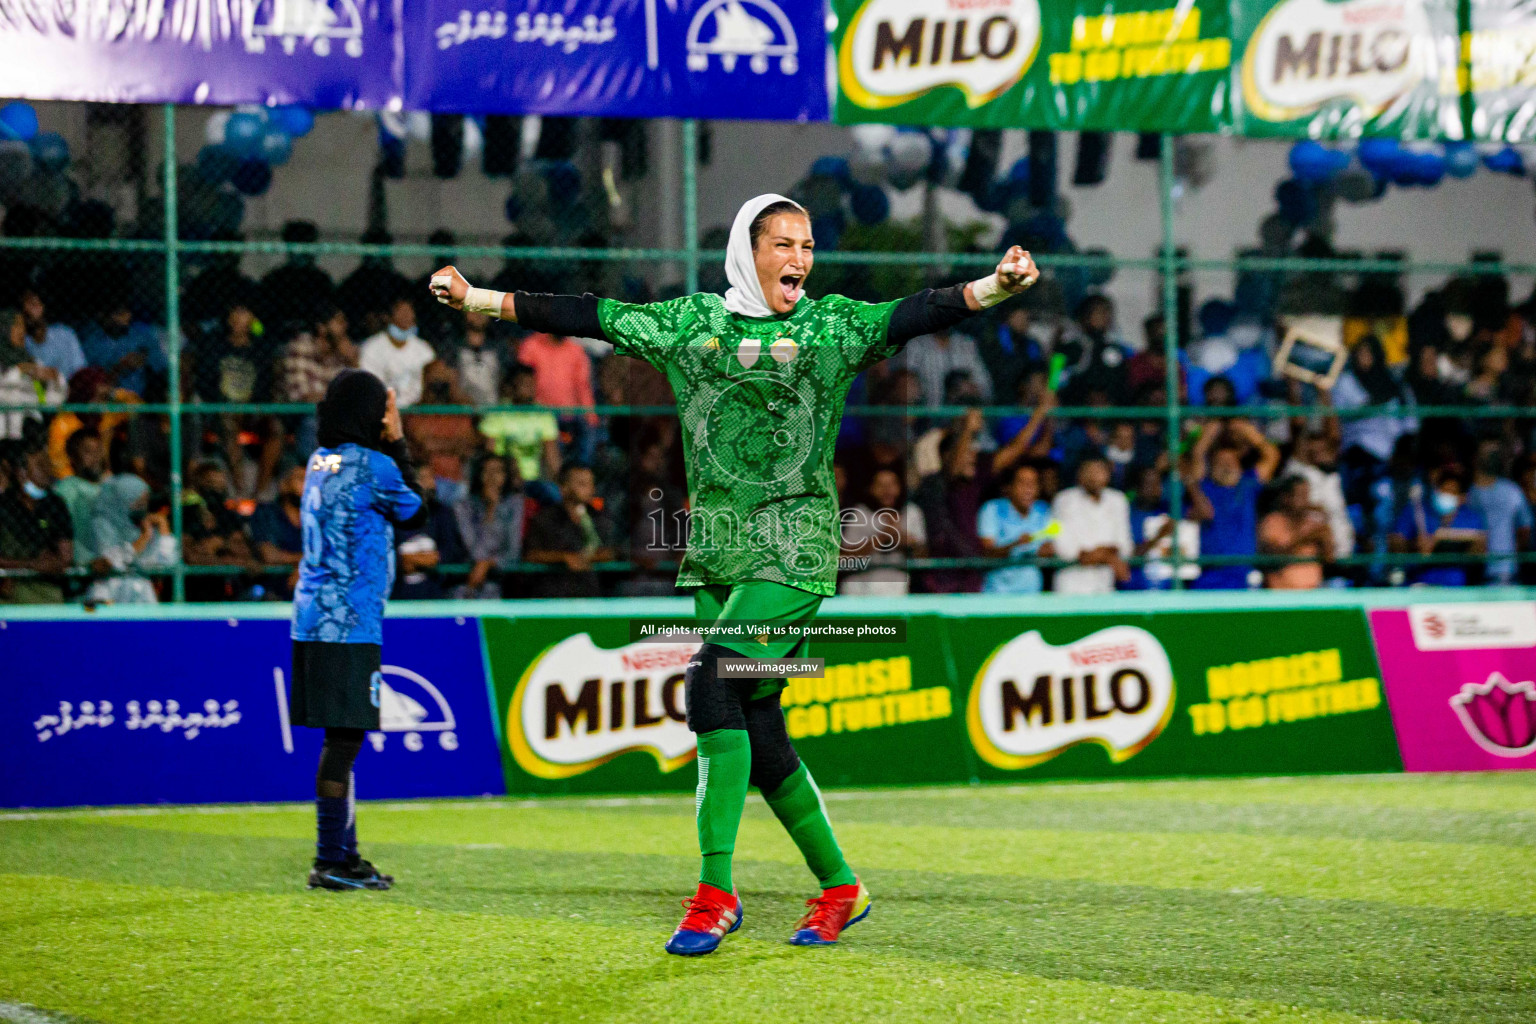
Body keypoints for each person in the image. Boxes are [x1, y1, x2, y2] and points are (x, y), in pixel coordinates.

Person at [430, 192, 1040, 954]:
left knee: (709, 679)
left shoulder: (830, 327)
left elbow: (913, 314)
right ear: (745, 253)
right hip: (719, 550)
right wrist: (477, 298)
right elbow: (588, 316)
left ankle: (716, 891)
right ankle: (842, 887)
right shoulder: (692, 325)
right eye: (783, 243)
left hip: (794, 550)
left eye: (808, 246)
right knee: (758, 723)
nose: (799, 259)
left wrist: (994, 288)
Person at [289, 369, 425, 891]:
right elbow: (416, 511)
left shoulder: (318, 462)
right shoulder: (373, 466)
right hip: (348, 622)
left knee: (339, 740)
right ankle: (330, 861)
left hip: (312, 617)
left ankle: (344, 856)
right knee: (343, 744)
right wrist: (398, 441)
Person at [1190, 418, 1281, 590]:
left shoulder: (1248, 484)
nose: (1226, 467)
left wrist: (1248, 431)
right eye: (1220, 463)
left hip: (1244, 572)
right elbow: (1197, 456)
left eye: (1231, 462)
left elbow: (1272, 455)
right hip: (1210, 573)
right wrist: (1209, 433)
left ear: (1240, 466)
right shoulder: (1206, 487)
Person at [522, 462, 613, 598]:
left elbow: (611, 551)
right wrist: (564, 557)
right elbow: (531, 555)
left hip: (591, 596)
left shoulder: (599, 517)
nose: (590, 490)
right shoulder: (545, 519)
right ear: (564, 488)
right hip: (554, 597)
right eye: (582, 484)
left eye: (590, 484)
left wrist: (586, 558)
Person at [85, 473, 177, 605]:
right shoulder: (102, 524)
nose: (143, 507)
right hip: (109, 595)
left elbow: (167, 561)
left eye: (146, 501)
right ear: (123, 499)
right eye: (139, 502)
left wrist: (163, 527)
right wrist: (142, 540)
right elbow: (108, 562)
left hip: (141, 596)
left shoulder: (143, 526)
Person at [1389, 466, 1487, 586]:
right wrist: (1414, 545)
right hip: (1418, 582)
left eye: (1452, 492)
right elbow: (1395, 542)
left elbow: (1480, 549)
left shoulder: (1471, 518)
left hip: (1457, 586)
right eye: (1443, 490)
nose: (1446, 495)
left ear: (1462, 498)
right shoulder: (1416, 510)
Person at [0, 443, 73, 603]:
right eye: (40, 466)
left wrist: (51, 564)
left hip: (46, 586)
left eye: (48, 465)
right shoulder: (4, 506)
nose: (48, 471)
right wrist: (31, 564)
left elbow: (64, 557)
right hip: (9, 586)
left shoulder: (55, 504)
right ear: (21, 474)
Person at [1051, 455, 1133, 595]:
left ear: (1107, 474)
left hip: (1105, 584)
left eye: (1099, 471)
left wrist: (1099, 555)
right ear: (1079, 475)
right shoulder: (1064, 500)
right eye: (1089, 471)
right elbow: (1063, 546)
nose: (1094, 476)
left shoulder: (1118, 500)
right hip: (1071, 584)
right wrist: (1107, 555)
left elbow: (1125, 545)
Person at [839, 467, 926, 596]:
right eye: (880, 485)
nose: (887, 490)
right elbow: (843, 558)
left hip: (898, 590)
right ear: (870, 488)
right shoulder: (859, 513)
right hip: (859, 591)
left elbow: (923, 557)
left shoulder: (911, 512)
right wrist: (882, 537)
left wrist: (902, 539)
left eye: (892, 484)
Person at [453, 454, 525, 599]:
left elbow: (513, 553)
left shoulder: (514, 505)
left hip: (502, 582)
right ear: (478, 475)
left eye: (498, 471)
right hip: (468, 582)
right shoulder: (463, 507)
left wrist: (489, 563)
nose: (492, 477)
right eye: (487, 471)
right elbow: (475, 552)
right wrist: (490, 512)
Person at [977, 462, 1054, 594]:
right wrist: (1016, 544)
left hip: (1032, 594)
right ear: (1009, 487)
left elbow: (1052, 543)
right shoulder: (992, 508)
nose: (1028, 489)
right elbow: (987, 552)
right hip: (997, 593)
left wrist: (1047, 550)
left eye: (1033, 483)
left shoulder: (1043, 510)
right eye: (1022, 483)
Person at [1467, 441, 1533, 586]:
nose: (1491, 458)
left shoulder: (1511, 491)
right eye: (1487, 453)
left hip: (1506, 574)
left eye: (1495, 453)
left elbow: (1525, 529)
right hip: (1471, 574)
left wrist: (1510, 554)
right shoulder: (1468, 494)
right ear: (1475, 457)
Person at [1258, 476, 1334, 590]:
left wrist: (1326, 537)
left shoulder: (1313, 524)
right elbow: (1272, 559)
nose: (1305, 501)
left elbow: (1330, 559)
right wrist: (1306, 538)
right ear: (1286, 498)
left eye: (1306, 495)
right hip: (1282, 595)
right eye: (1300, 495)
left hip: (1312, 594)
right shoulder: (1272, 522)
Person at [359, 297, 436, 408]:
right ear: (388, 317)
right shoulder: (372, 347)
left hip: (417, 411)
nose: (406, 316)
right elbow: (370, 385)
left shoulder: (424, 349)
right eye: (401, 312)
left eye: (409, 312)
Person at [252, 467, 307, 598]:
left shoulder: (319, 518)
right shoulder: (266, 513)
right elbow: (269, 555)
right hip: (270, 591)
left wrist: (303, 570)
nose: (307, 484)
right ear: (284, 486)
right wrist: (306, 561)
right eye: (301, 479)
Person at [53, 429, 106, 567]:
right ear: (73, 457)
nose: (96, 457)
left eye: (98, 451)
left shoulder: (109, 486)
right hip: (82, 565)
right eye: (88, 452)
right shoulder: (66, 489)